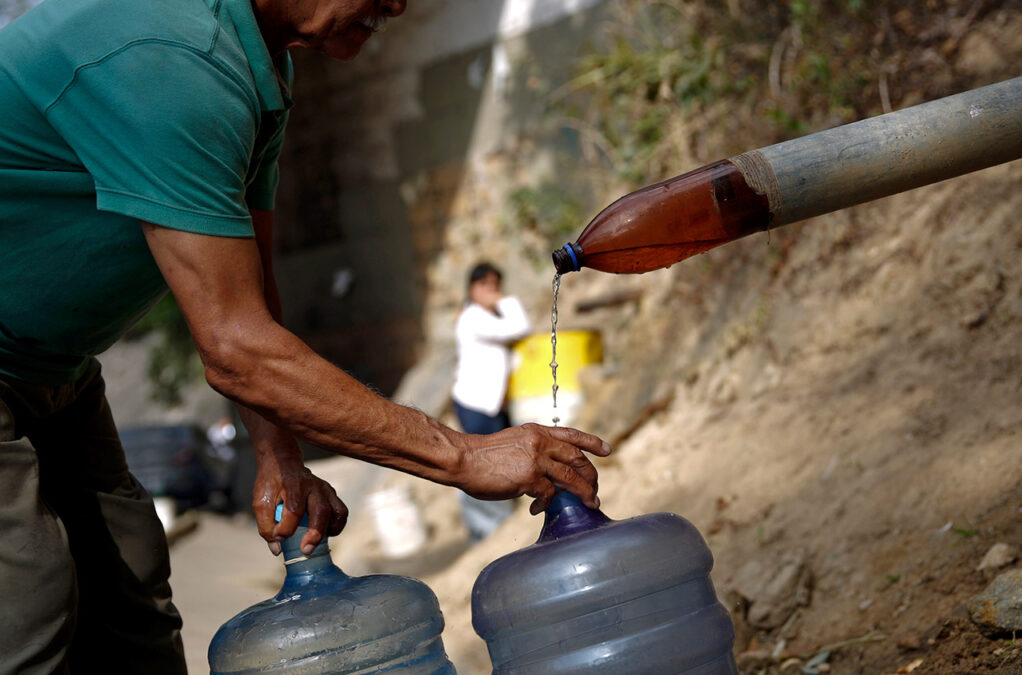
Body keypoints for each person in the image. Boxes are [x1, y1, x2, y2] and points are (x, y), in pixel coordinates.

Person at [0, 0, 609, 672]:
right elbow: (235, 348)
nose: (399, 4)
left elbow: (251, 296)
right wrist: (464, 456)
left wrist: (277, 454)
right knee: (27, 609)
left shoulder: (257, 65)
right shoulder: (172, 55)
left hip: (55, 367)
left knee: (132, 597)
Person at [451, 262, 531, 543]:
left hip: (491, 405)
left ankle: (498, 523)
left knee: (494, 459)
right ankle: (485, 530)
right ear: (473, 289)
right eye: (487, 287)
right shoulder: (473, 318)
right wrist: (506, 300)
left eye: (496, 287)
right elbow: (521, 327)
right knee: (478, 463)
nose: (493, 293)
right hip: (475, 405)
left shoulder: (488, 319)